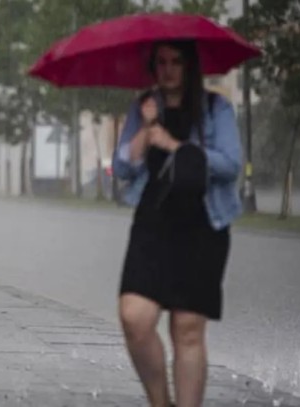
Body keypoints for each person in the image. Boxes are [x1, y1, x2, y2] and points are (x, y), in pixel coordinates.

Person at [112, 40, 243, 407]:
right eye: (162, 62)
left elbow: (231, 164)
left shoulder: (216, 108)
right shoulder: (143, 108)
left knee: (186, 329)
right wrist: (145, 129)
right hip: (153, 222)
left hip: (203, 224)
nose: (168, 69)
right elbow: (122, 166)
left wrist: (174, 145)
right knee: (134, 317)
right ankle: (160, 401)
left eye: (176, 62)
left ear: (190, 66)